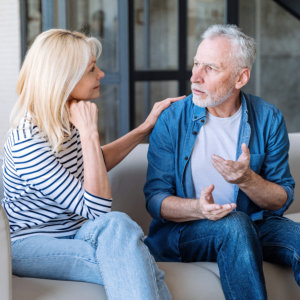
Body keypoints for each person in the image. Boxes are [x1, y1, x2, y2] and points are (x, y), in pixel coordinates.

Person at [2, 29, 184, 300]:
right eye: (92, 69)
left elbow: (93, 164)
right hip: (31, 245)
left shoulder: (65, 118)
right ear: (64, 78)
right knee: (133, 256)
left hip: (77, 233)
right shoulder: (28, 141)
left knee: (119, 226)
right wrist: (89, 132)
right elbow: (96, 209)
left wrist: (144, 128)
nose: (101, 74)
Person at [144, 24, 299, 300]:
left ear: (241, 78)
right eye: (196, 64)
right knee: (235, 224)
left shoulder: (268, 118)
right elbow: (156, 200)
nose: (195, 77)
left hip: (255, 224)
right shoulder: (172, 119)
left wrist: (247, 179)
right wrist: (199, 209)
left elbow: (281, 199)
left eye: (210, 68)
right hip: (185, 231)